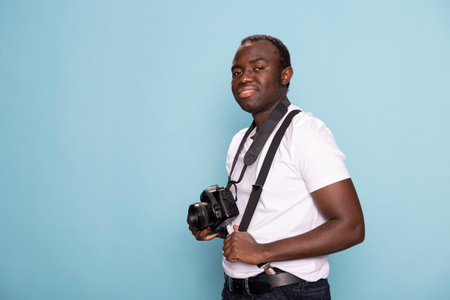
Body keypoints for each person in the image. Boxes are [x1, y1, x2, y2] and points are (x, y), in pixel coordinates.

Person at [189, 34, 365, 299]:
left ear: (285, 75)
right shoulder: (240, 140)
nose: (244, 78)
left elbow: (351, 226)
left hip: (288, 290)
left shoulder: (306, 132)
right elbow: (260, 215)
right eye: (237, 72)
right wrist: (216, 229)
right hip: (234, 289)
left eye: (258, 68)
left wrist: (263, 251)